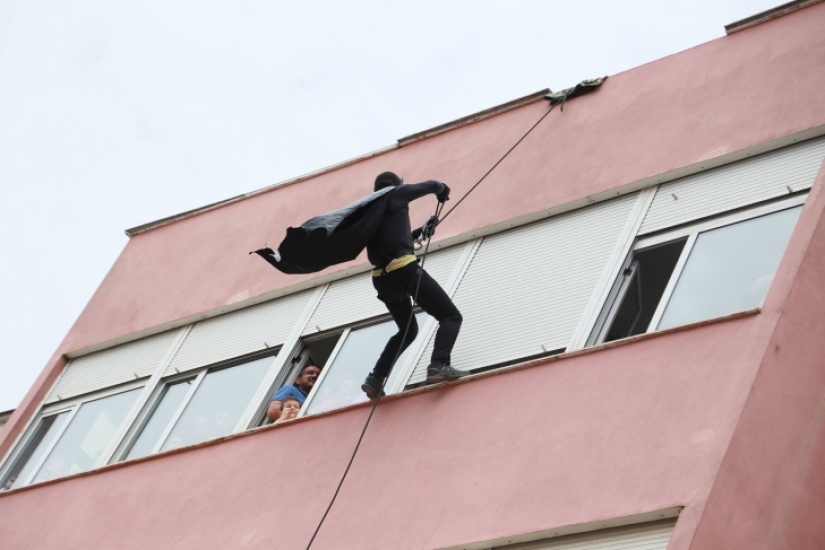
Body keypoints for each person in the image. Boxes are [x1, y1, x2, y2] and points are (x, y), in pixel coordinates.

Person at [361, 171, 467, 400]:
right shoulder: (396, 194)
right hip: (403, 269)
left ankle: (376, 378)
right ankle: (438, 365)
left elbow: (392, 240)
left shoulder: (370, 210)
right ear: (397, 185)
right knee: (450, 316)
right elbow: (429, 185)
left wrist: (421, 232)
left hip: (381, 278)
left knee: (407, 330)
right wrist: (442, 188)